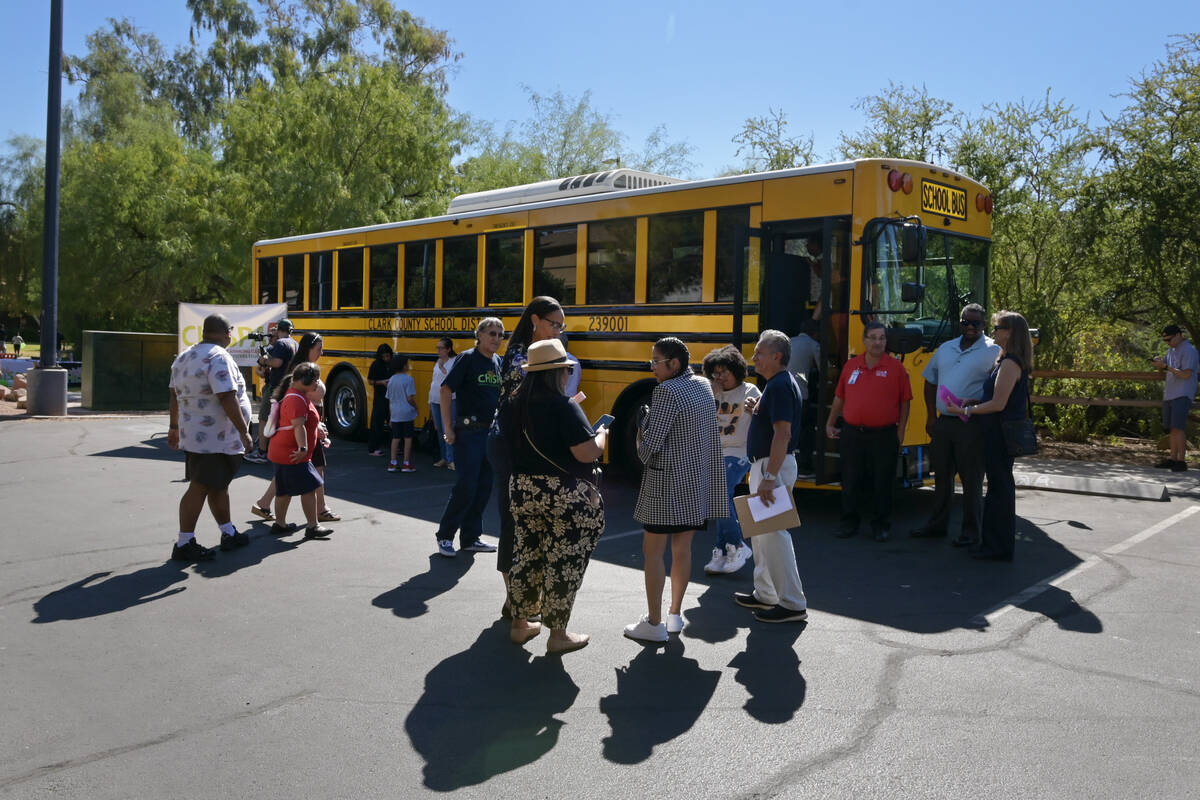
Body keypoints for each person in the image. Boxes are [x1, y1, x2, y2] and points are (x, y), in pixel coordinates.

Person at [500, 338, 608, 654]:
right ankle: (557, 634)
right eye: (565, 370)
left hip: (522, 489)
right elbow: (586, 453)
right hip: (562, 494)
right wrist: (601, 436)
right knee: (564, 560)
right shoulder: (563, 405)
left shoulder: (511, 405)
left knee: (526, 554)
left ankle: (520, 625)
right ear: (558, 373)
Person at [624, 337, 726, 642]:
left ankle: (653, 623)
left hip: (665, 484)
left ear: (674, 364)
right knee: (683, 550)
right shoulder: (703, 385)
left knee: (652, 552)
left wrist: (642, 430)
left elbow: (649, 448)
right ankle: (674, 616)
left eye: (656, 361)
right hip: (696, 484)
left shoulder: (666, 391)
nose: (651, 366)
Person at [489, 297, 566, 612]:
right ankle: (513, 599)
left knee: (529, 522)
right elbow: (529, 400)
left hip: (525, 443)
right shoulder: (522, 355)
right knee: (513, 519)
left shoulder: (533, 352)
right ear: (535, 320)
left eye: (562, 326)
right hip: (510, 443)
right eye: (554, 324)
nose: (558, 332)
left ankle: (521, 599)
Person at [733, 329, 810, 623]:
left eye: (759, 353)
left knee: (775, 534)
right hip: (766, 466)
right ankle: (766, 594)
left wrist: (769, 477)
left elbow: (783, 433)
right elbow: (776, 424)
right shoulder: (777, 384)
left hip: (770, 467)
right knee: (763, 534)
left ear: (776, 357)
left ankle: (792, 603)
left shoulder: (778, 386)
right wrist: (758, 409)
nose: (753, 357)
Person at [944, 311, 1034, 561]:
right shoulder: (1006, 361)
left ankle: (997, 547)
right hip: (997, 433)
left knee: (999, 491)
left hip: (999, 435)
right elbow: (994, 397)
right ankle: (993, 544)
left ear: (1010, 332)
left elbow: (998, 404)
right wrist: (973, 400)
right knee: (997, 489)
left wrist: (965, 410)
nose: (993, 332)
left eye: (997, 327)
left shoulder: (1009, 363)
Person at [910, 303, 1002, 547]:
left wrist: (981, 404)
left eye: (976, 323)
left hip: (972, 424)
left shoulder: (993, 350)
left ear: (983, 325)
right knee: (942, 477)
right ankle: (937, 526)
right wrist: (931, 416)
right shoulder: (946, 348)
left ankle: (971, 533)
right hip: (943, 424)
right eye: (965, 322)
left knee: (971, 480)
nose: (970, 327)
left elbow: (998, 389)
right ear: (959, 323)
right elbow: (929, 382)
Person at [166, 313, 254, 561]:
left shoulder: (185, 356)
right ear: (228, 333)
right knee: (201, 486)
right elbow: (227, 396)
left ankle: (228, 532)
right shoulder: (218, 356)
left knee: (218, 485)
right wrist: (244, 432)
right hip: (217, 437)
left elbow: (173, 394)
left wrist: (173, 427)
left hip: (195, 435)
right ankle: (184, 543)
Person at [824, 322, 912, 542]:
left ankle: (881, 525)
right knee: (850, 480)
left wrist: (901, 430)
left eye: (881, 338)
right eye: (873, 337)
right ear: (864, 340)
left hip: (884, 435)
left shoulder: (896, 367)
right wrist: (830, 422)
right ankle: (849, 523)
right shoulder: (851, 366)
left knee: (882, 482)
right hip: (852, 433)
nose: (877, 342)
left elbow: (905, 402)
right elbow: (839, 397)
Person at [435, 318, 505, 558]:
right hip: (469, 432)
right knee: (466, 485)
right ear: (480, 335)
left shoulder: (498, 362)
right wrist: (448, 428)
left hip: (491, 433)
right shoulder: (467, 358)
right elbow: (446, 390)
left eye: (500, 335)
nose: (497, 339)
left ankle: (470, 537)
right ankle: (445, 535)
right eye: (492, 334)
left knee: (484, 487)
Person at [700, 345, 759, 575]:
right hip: (716, 452)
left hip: (740, 451)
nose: (720, 377)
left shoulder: (750, 391)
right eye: (715, 373)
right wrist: (710, 396)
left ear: (736, 370)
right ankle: (722, 551)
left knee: (719, 490)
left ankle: (737, 545)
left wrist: (756, 411)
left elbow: (763, 420)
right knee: (718, 496)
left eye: (725, 372)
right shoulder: (710, 392)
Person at [266, 362, 333, 538]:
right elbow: (298, 427)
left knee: (284, 491)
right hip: (293, 454)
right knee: (309, 487)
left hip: (287, 453)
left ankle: (280, 525)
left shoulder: (298, 394)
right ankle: (312, 527)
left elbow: (305, 421)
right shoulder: (296, 398)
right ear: (304, 381)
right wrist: (303, 448)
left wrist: (316, 428)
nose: (318, 384)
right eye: (315, 381)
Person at [246, 319, 296, 464]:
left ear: (279, 330)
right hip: (288, 386)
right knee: (281, 420)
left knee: (264, 418)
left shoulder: (281, 343)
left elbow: (276, 362)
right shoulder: (294, 344)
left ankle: (261, 452)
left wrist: (264, 361)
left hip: (276, 387)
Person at [1152, 324, 1197, 472]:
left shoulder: (1189, 351)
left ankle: (1181, 461)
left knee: (1178, 428)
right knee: (1171, 429)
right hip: (1170, 394)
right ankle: (1172, 459)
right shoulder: (1171, 350)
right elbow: (1165, 368)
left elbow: (1186, 374)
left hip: (1182, 393)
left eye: (1169, 339)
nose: (1167, 342)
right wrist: (1158, 363)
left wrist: (1165, 367)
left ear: (1179, 335)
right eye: (1165, 340)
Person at [788, 319, 821, 472]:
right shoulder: (813, 344)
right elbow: (824, 369)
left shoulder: (787, 342)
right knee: (806, 430)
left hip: (783, 393)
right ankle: (805, 464)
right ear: (814, 333)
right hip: (800, 394)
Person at [386, 355, 418, 473]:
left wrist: (390, 416)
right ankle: (406, 463)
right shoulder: (409, 379)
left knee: (396, 437)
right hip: (407, 412)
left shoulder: (391, 380)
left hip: (395, 413)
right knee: (408, 437)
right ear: (404, 366)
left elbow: (390, 399)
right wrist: (416, 407)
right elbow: (410, 398)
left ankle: (393, 462)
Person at [429, 337, 457, 469]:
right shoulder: (438, 361)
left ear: (448, 349)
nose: (438, 350)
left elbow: (448, 377)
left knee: (448, 428)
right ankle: (444, 458)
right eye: (437, 348)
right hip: (435, 399)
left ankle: (452, 459)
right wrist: (429, 401)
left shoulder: (454, 362)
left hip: (449, 400)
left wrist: (441, 365)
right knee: (440, 430)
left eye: (440, 348)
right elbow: (434, 381)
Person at [366, 344, 393, 456]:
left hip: (391, 397)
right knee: (377, 423)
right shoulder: (376, 365)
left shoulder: (392, 364)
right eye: (384, 356)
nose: (386, 358)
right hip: (380, 397)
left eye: (388, 356)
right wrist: (382, 382)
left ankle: (395, 446)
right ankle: (373, 448)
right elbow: (370, 380)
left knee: (393, 422)